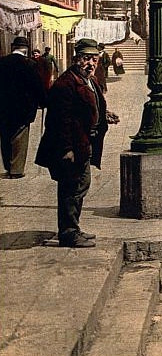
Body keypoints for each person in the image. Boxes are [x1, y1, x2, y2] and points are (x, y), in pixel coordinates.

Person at [34, 39, 118, 247]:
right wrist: (67, 149)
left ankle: (74, 228)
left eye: (94, 59)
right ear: (76, 59)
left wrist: (104, 114)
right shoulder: (66, 84)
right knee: (72, 188)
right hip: (72, 146)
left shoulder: (89, 80)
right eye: (86, 59)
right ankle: (69, 233)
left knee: (81, 185)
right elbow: (60, 121)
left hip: (84, 143)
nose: (91, 64)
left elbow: (87, 105)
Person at [0, 37, 47, 178]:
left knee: (5, 136)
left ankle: (8, 166)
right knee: (19, 138)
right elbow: (37, 85)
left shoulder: (2, 62)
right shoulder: (30, 64)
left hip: (3, 107)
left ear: (13, 47)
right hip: (23, 108)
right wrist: (44, 101)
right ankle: (16, 170)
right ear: (26, 49)